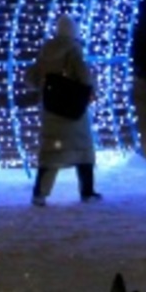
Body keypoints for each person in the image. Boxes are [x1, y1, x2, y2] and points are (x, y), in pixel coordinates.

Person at [27, 15, 101, 205]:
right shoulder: (73, 50)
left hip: (51, 109)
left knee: (51, 153)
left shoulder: (46, 50)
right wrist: (92, 90)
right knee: (83, 150)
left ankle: (40, 193)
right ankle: (87, 191)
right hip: (72, 109)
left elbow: (31, 78)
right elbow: (84, 76)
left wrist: (46, 86)